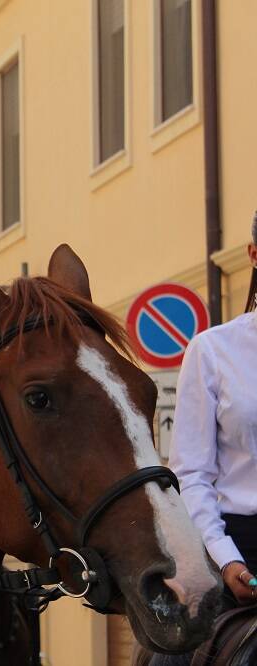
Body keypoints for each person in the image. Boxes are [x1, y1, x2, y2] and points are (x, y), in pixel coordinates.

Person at [169, 214, 257, 610]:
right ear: (254, 255)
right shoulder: (212, 351)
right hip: (240, 554)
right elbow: (192, 474)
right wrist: (225, 558)